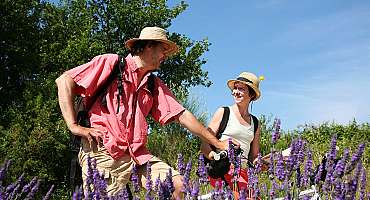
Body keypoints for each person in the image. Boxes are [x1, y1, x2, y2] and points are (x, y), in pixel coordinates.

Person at [55, 26, 236, 199]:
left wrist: (218, 144)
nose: (165, 56)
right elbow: (64, 81)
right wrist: (74, 126)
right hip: (104, 153)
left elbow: (182, 115)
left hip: (138, 156)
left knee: (179, 186)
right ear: (148, 46)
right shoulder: (112, 64)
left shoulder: (153, 83)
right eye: (163, 49)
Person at [201, 71, 262, 190]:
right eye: (235, 88)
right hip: (221, 170)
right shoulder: (223, 112)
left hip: (243, 174)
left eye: (241, 89)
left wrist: (260, 162)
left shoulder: (255, 122)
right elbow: (204, 144)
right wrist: (215, 156)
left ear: (251, 95)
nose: (236, 92)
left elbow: (254, 156)